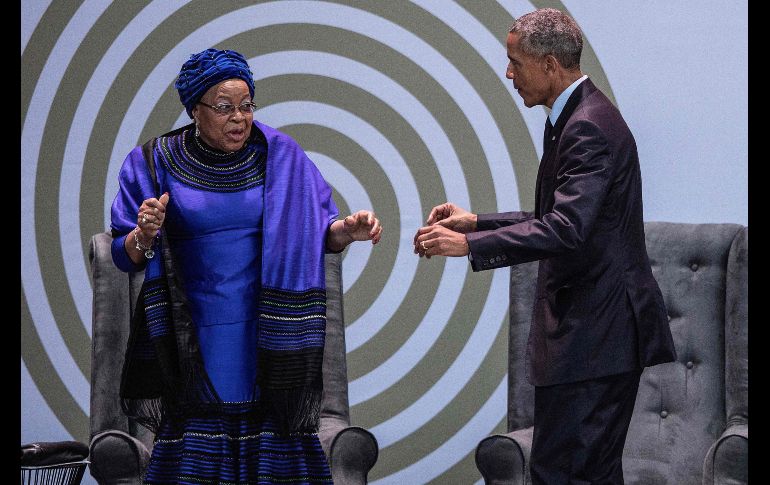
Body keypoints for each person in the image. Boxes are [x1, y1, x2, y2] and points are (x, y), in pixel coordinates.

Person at [413, 8, 676, 484]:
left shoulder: (588, 125)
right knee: (577, 474)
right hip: (592, 338)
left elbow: (566, 229)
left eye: (515, 61)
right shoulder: (576, 117)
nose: (509, 73)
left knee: (568, 475)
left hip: (597, 337)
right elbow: (562, 218)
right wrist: (476, 221)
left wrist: (470, 245)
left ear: (551, 65)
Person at [110, 48, 382, 484]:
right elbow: (125, 256)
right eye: (224, 108)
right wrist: (144, 234)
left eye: (247, 105)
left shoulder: (282, 156)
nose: (239, 118)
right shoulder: (152, 161)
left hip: (269, 332)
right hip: (194, 332)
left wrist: (346, 231)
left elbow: (322, 232)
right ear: (194, 109)